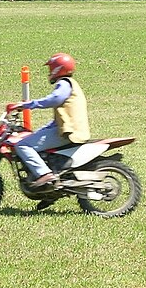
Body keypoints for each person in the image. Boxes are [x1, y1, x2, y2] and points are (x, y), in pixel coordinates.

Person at [9, 53, 90, 190]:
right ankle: (47, 189)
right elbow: (60, 119)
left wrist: (28, 104)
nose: (50, 73)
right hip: (70, 129)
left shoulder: (64, 84)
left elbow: (55, 99)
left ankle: (45, 175)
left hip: (69, 132)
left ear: (57, 69)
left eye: (51, 69)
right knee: (33, 141)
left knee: (23, 145)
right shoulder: (71, 84)